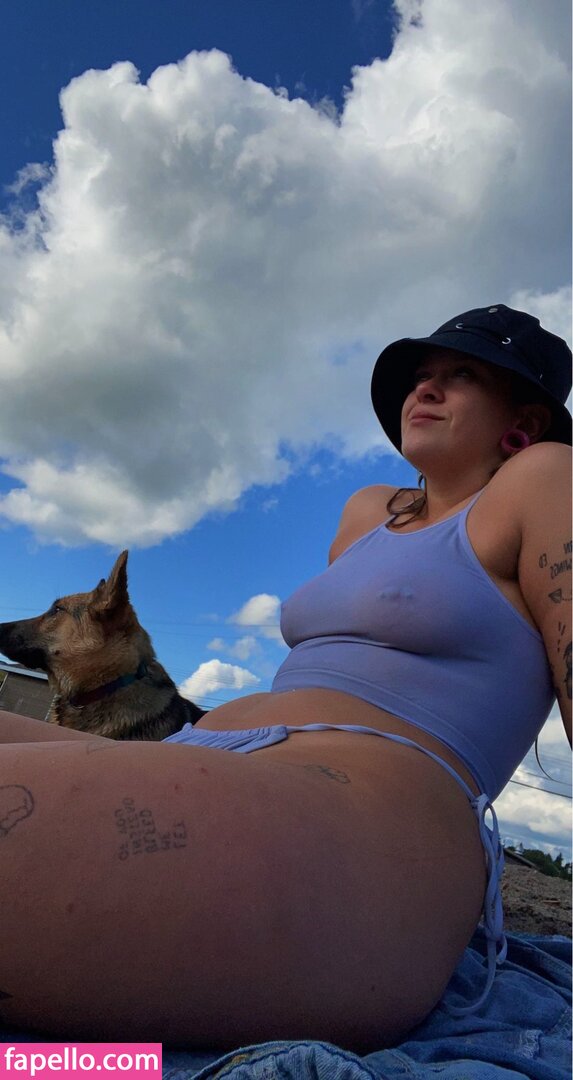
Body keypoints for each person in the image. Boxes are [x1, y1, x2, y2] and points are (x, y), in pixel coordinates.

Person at [0, 303, 570, 1051]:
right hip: (212, 760)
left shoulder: (545, 476)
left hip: (366, 817)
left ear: (524, 420)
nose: (424, 389)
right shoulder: (368, 511)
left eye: (461, 374)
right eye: (420, 375)